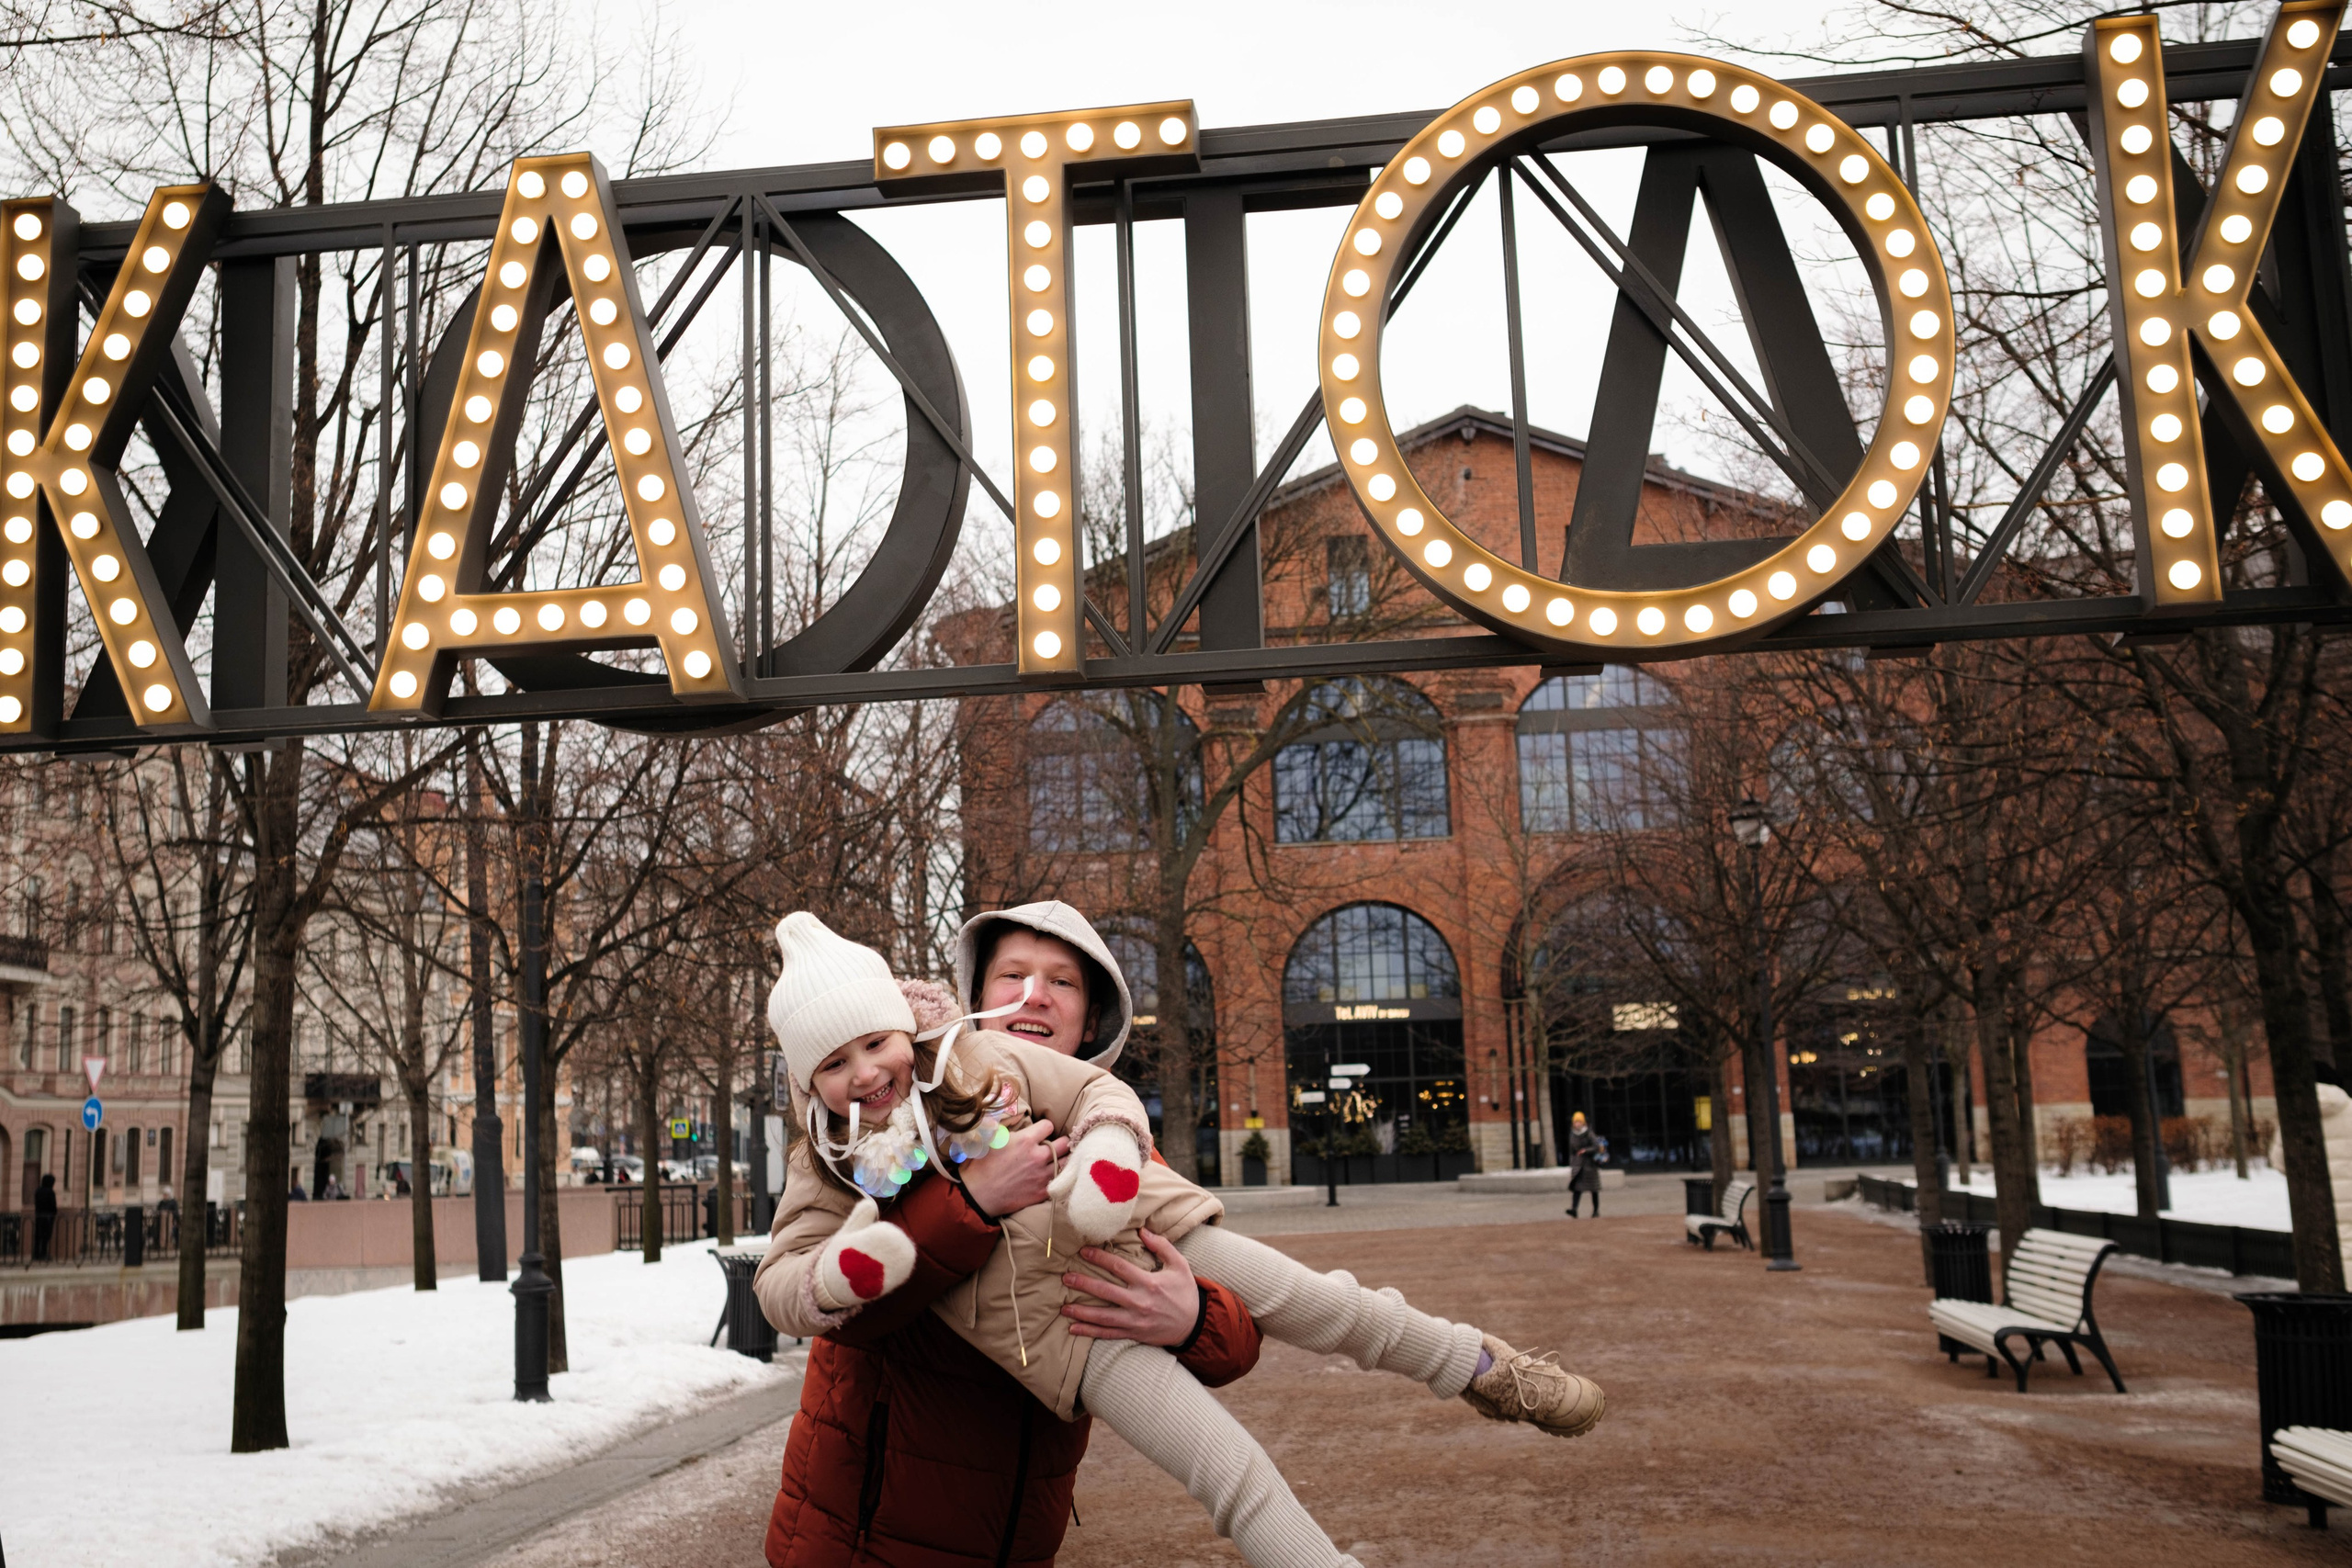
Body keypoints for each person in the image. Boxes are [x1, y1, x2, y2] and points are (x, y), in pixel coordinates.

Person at [759, 913, 1601, 1568]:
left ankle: (1485, 1367)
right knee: (1228, 1468)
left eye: (1060, 982)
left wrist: (1183, 1305)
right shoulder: (832, 1161)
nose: (1031, 997)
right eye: (1012, 975)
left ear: (1092, 1018)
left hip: (1133, 1238)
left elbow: (1229, 1323)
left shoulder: (995, 1067)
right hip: (1044, 1356)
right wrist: (917, 1231)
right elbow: (818, 1296)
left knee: (1325, 1300)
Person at [1565, 1111, 1603, 1218]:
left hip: (1589, 1165)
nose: (1577, 1124)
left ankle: (1596, 1210)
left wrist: (1585, 1150)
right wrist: (1573, 1162)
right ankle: (1574, 1209)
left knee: (1594, 1189)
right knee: (1577, 1188)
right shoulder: (1572, 1134)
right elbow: (1572, 1150)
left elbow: (1596, 1146)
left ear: (1583, 1123)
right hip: (1578, 1166)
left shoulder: (1589, 1133)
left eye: (1579, 1122)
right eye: (1575, 1122)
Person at [32, 1171, 56, 1260]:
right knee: (45, 1237)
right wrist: (54, 1213)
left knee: (38, 1236)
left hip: (39, 1216)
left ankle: (36, 1254)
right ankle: (43, 1254)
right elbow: (53, 1205)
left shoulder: (38, 1190)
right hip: (48, 1217)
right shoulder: (50, 1192)